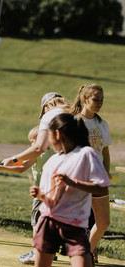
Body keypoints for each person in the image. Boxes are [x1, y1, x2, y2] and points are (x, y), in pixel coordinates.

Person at [29, 113, 110, 267]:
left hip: (75, 224)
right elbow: (50, 195)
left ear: (58, 134)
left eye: (48, 135)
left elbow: (101, 188)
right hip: (47, 222)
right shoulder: (53, 160)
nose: (47, 140)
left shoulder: (86, 154)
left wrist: (73, 183)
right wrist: (39, 194)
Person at [0, 125, 55, 264]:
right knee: (49, 223)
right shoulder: (54, 154)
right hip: (54, 193)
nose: (31, 145)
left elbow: (21, 169)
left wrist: (1, 167)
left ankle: (37, 252)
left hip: (40, 193)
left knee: (36, 223)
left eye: (33, 141)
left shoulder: (37, 154)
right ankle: (48, 251)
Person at [70, 83, 111, 263]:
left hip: (98, 178)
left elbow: (105, 152)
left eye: (102, 100)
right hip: (80, 177)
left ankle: (86, 251)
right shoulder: (73, 122)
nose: (99, 103)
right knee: (76, 222)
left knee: (103, 223)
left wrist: (107, 173)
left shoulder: (102, 124)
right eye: (96, 99)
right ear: (84, 100)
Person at [2, 92, 71, 167]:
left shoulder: (50, 115)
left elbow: (39, 148)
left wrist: (13, 159)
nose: (44, 114)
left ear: (46, 106)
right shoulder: (73, 114)